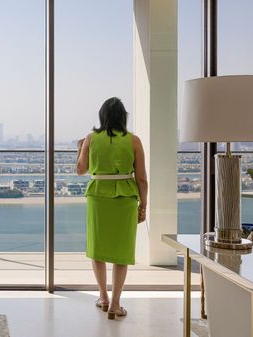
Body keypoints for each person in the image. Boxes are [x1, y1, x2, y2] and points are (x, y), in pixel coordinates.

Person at [75, 97, 148, 320]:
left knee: (98, 248)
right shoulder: (134, 141)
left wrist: (80, 149)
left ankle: (103, 297)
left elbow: (80, 170)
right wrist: (143, 205)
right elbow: (142, 178)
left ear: (102, 116)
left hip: (98, 196)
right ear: (123, 117)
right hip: (125, 198)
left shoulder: (90, 139)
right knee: (121, 251)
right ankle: (116, 304)